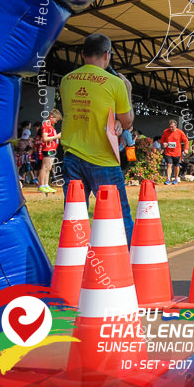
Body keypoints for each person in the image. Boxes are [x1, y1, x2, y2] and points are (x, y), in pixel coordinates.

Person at [59, 33, 136, 244]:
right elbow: (127, 122)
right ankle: (126, 263)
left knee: (74, 217)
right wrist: (127, 90)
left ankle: (76, 262)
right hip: (103, 159)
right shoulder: (115, 83)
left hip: (72, 157)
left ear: (82, 54)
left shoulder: (66, 81)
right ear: (107, 55)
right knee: (119, 217)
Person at [37, 110, 62, 194]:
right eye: (56, 120)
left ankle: (46, 184)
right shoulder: (46, 125)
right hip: (48, 148)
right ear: (51, 117)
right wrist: (56, 136)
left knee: (49, 167)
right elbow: (44, 138)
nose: (56, 122)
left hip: (52, 148)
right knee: (44, 167)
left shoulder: (50, 126)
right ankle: (41, 185)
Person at [160, 120, 190, 185]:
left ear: (175, 126)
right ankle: (168, 179)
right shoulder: (166, 131)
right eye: (170, 127)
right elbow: (162, 139)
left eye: (172, 127)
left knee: (176, 166)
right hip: (168, 152)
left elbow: (186, 141)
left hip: (177, 152)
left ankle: (176, 178)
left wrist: (186, 149)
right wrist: (163, 143)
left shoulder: (180, 132)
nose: (170, 128)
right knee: (169, 164)